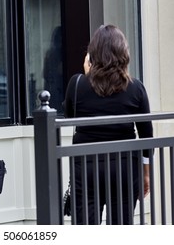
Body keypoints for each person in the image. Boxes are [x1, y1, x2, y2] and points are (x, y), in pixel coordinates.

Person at [63, 24, 153, 224]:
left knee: (86, 227)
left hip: (86, 165)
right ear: (123, 53)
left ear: (92, 54)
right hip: (124, 166)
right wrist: (146, 174)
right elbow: (147, 135)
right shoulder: (136, 88)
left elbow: (70, 116)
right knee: (121, 226)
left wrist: (87, 75)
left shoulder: (77, 84)